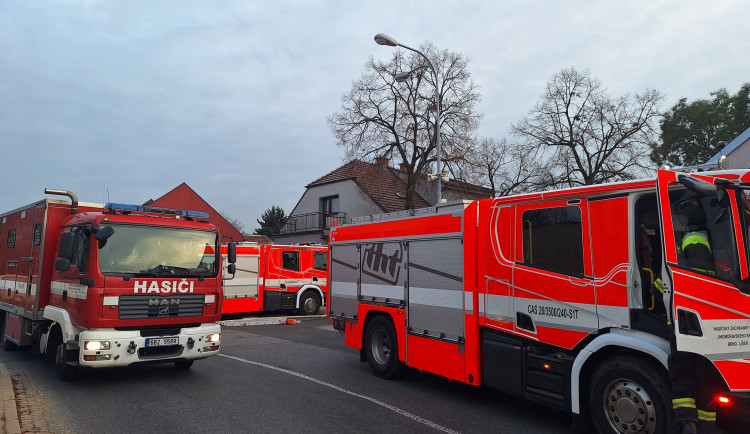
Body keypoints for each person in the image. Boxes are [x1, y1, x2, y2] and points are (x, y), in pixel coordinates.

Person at [652, 231, 723, 434]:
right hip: (710, 334)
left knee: (682, 376)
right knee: (707, 379)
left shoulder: (673, 270)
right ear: (707, 248)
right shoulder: (720, 269)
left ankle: (687, 421)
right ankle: (708, 424)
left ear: (684, 249)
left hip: (680, 333)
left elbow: (655, 294)